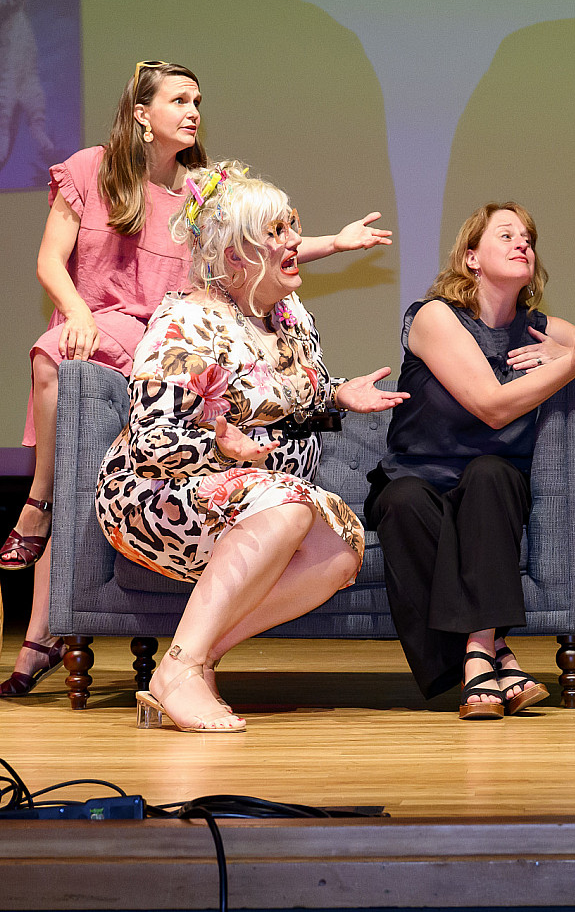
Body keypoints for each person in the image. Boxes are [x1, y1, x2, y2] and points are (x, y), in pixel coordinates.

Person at [0, 59, 393, 699]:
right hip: (107, 325)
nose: (192, 112)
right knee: (53, 359)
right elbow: (52, 261)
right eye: (179, 100)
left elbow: (264, 243)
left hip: (158, 336)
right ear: (140, 112)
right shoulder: (93, 173)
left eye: (198, 102)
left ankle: (177, 656)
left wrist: (337, 253)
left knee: (330, 539)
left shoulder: (207, 197)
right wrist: (78, 314)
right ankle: (39, 505)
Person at [94, 160, 409, 732]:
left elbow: (293, 395)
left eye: (293, 226)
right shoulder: (187, 323)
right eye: (277, 231)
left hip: (257, 497)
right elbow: (151, 442)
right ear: (236, 254)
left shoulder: (288, 316)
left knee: (341, 547)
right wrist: (223, 450)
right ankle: (181, 670)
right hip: (160, 493)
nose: (294, 241)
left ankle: (191, 662)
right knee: (287, 507)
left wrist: (339, 394)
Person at [367, 202, 575, 719]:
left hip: (493, 483)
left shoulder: (539, 326)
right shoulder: (434, 316)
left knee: (491, 473)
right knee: (401, 504)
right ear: (471, 257)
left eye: (528, 239)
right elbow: (492, 407)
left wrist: (566, 355)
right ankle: (497, 652)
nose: (523, 245)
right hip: (417, 476)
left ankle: (476, 655)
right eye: (507, 235)